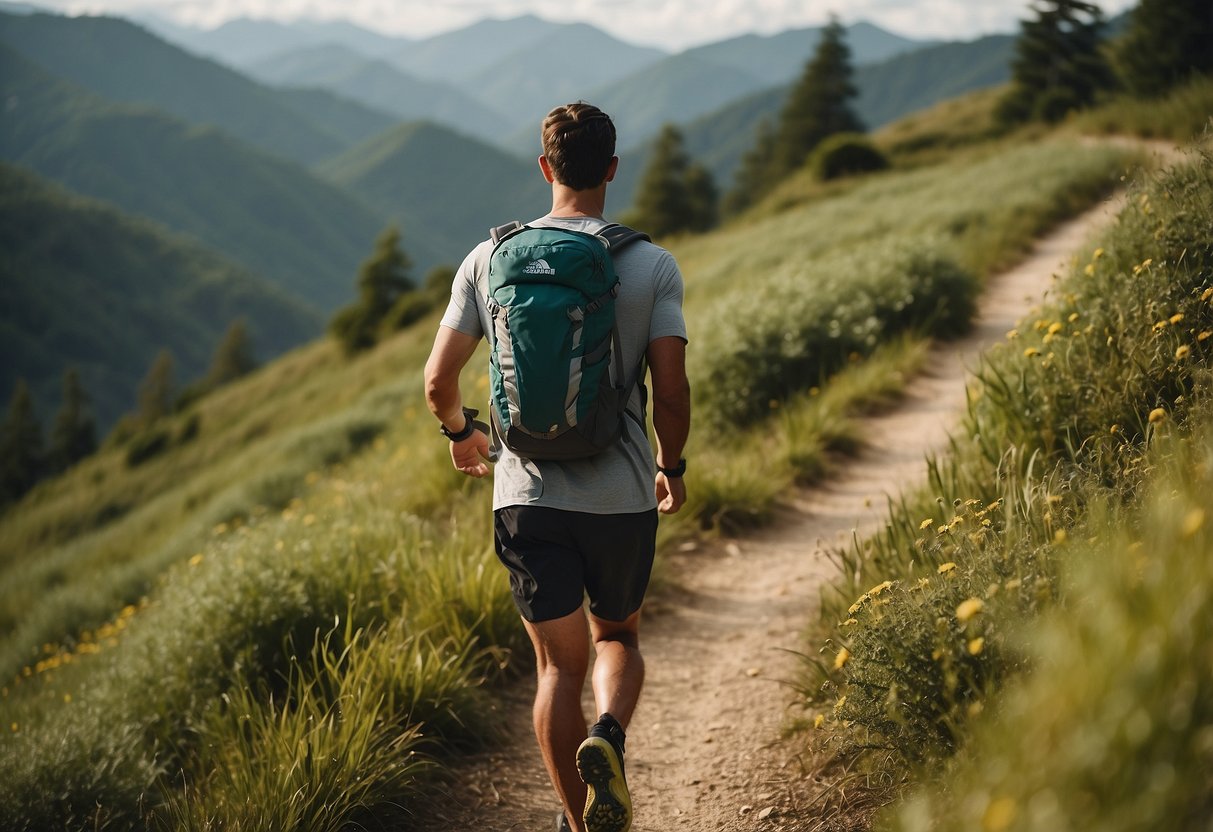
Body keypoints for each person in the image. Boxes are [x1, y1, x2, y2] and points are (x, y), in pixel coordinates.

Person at [423, 101, 690, 832]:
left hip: (524, 497)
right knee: (617, 638)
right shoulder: (649, 265)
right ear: (610, 169)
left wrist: (460, 433)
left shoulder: (488, 260)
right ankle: (608, 734)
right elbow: (670, 389)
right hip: (620, 495)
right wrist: (672, 465)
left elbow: (437, 383)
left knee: (555, 670)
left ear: (544, 168)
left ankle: (580, 826)